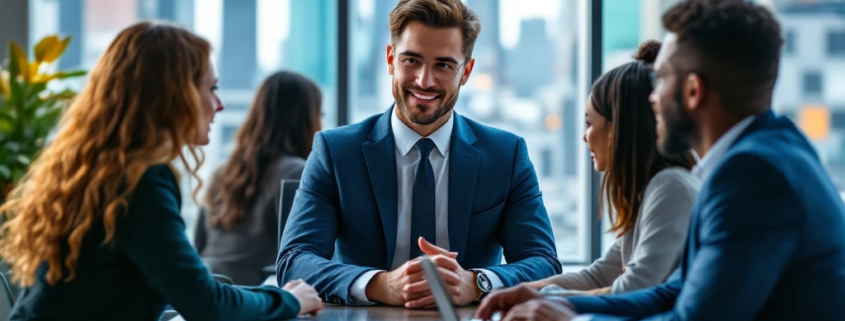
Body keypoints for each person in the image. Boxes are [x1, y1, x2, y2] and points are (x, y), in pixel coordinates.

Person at [475, 1, 845, 320]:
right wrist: (558, 303)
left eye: (662, 79)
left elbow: (693, 317)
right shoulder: (771, 153)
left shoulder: (751, 176)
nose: (652, 99)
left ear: (693, 90)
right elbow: (676, 290)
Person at [0, 22, 323, 321]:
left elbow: (196, 290)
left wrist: (274, 295)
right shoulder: (140, 180)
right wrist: (287, 301)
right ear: (173, 95)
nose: (219, 104)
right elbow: (207, 305)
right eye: (211, 88)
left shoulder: (98, 169)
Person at [276, 0, 561, 308]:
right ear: (390, 60)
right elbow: (294, 261)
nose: (424, 81)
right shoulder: (335, 152)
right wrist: (380, 284)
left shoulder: (506, 155)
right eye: (411, 60)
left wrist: (477, 282)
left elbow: (543, 261)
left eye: (444, 65)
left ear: (466, 71)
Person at [525, 41, 698, 298]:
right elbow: (598, 276)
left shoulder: (670, 186)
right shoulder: (652, 191)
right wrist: (517, 291)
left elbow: (635, 289)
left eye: (589, 123)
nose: (585, 137)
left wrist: (547, 296)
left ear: (619, 128)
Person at [195, 71, 322, 286]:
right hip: (254, 295)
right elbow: (303, 256)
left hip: (207, 286)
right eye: (320, 114)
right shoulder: (297, 173)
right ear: (306, 120)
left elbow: (199, 246)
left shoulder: (222, 172)